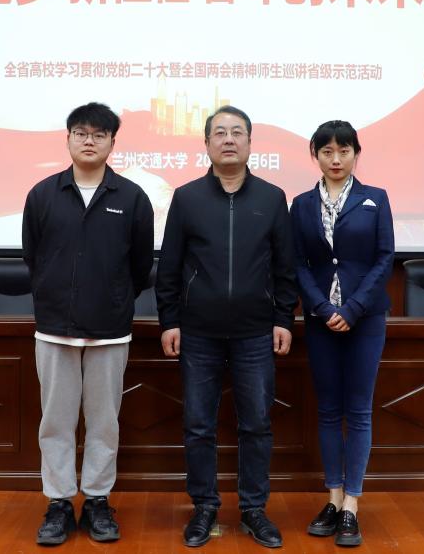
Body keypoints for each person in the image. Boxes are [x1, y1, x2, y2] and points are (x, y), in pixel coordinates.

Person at [156, 105, 297, 549]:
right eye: (220, 133)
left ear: (251, 143)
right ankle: (204, 507)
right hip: (198, 332)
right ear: (207, 144)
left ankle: (254, 509)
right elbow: (170, 267)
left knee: (256, 423)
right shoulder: (187, 197)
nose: (229, 139)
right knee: (199, 424)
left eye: (238, 132)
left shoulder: (272, 198)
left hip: (256, 332)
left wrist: (283, 318)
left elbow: (285, 268)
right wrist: (169, 321)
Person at [21, 102, 155, 546]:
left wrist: (114, 296)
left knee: (103, 422)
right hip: (54, 326)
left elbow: (140, 265)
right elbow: (33, 256)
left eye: (99, 134)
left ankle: (97, 500)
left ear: (113, 142)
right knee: (55, 421)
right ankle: (59, 502)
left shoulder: (132, 197)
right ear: (68, 139)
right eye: (81, 133)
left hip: (109, 328)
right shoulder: (43, 194)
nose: (89, 141)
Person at [289, 120, 394, 547]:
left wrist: (352, 309)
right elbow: (297, 263)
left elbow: (385, 258)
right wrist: (320, 307)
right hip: (320, 321)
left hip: (366, 320)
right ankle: (332, 498)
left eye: (344, 151)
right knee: (329, 411)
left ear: (356, 153)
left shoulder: (376, 199)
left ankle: (352, 503)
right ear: (315, 154)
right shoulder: (300, 204)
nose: (336, 159)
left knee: (360, 411)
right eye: (327, 151)